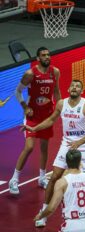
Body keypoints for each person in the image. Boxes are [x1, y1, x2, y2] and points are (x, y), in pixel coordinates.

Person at [23, 80, 85, 227]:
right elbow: (51, 119)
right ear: (68, 89)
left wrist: (80, 142)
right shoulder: (61, 104)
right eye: (72, 85)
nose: (74, 87)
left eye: (78, 86)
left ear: (81, 91)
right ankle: (43, 213)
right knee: (54, 177)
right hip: (67, 144)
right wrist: (34, 128)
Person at [9, 47, 61, 195]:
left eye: (48, 54)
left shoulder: (55, 72)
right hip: (32, 116)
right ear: (38, 58)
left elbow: (56, 91)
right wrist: (25, 106)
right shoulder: (30, 74)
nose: (47, 57)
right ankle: (14, 179)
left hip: (48, 115)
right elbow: (17, 91)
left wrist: (60, 107)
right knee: (30, 147)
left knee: (44, 148)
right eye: (43, 55)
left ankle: (42, 177)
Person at [34, 149, 85, 232]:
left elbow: (51, 208)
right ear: (80, 162)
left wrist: (41, 215)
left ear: (66, 163)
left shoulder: (62, 182)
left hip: (71, 227)